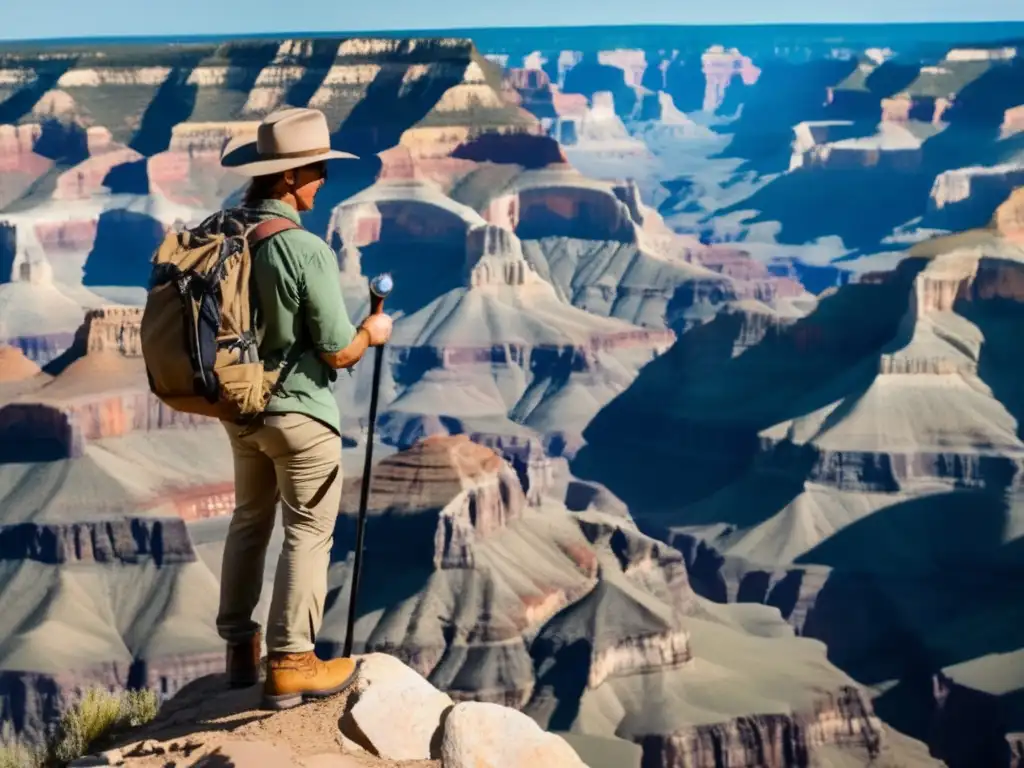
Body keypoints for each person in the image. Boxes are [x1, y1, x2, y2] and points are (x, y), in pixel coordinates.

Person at [216, 107, 393, 710]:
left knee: (248, 522)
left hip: (243, 410)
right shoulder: (302, 248)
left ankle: (241, 650)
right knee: (309, 531)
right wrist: (374, 330)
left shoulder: (230, 234)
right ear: (288, 178)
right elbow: (338, 350)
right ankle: (291, 661)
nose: (323, 180)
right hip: (299, 416)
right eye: (317, 169)